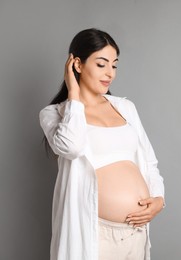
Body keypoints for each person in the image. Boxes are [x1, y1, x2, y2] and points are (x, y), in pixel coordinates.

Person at [39, 28, 165, 260]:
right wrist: (74, 95)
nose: (110, 73)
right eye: (101, 64)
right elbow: (72, 147)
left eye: (114, 65)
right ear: (77, 64)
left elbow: (149, 160)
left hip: (136, 233)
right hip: (94, 236)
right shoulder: (55, 114)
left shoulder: (125, 107)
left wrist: (158, 198)